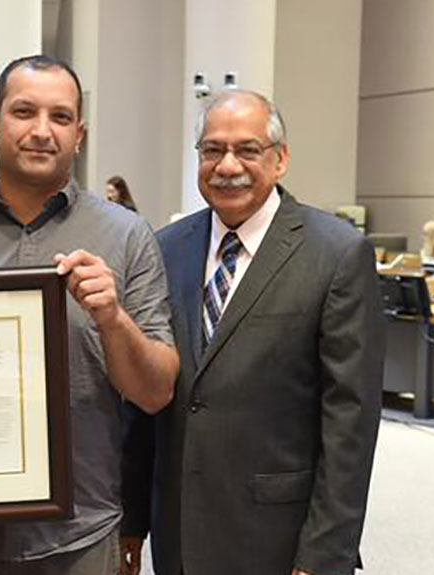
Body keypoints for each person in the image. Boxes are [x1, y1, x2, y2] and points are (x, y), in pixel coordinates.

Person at [0, 55, 180, 575]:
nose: (41, 131)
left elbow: (155, 392)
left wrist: (113, 317)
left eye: (60, 117)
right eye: (24, 112)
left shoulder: (126, 237)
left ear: (79, 134)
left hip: (80, 538)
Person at [127, 89, 385, 575]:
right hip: (179, 531)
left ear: (280, 159)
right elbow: (146, 406)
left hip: (280, 540)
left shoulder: (336, 254)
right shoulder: (165, 248)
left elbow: (350, 422)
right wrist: (132, 522)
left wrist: (325, 554)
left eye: (247, 150)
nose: (227, 166)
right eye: (212, 150)